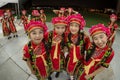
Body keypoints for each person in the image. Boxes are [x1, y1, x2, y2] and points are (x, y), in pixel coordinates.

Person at [66, 14, 90, 80]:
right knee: (70, 70)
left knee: (77, 70)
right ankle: (71, 77)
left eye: (76, 26)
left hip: (80, 59)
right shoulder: (67, 35)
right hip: (70, 58)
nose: (73, 28)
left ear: (80, 27)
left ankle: (75, 76)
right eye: (71, 25)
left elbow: (88, 48)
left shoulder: (84, 37)